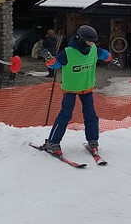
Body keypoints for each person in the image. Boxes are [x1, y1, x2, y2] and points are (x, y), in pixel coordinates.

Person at [39, 25, 112, 158]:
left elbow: (106, 55)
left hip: (87, 88)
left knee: (91, 115)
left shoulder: (94, 49)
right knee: (65, 115)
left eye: (93, 42)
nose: (91, 44)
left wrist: (111, 58)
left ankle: (93, 142)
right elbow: (56, 64)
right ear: (80, 39)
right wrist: (49, 59)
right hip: (70, 89)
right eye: (89, 41)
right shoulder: (68, 52)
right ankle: (53, 143)